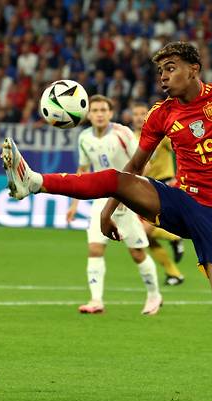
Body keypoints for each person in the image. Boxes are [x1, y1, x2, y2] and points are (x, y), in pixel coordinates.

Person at [1, 41, 212, 401]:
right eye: (160, 71)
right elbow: (132, 170)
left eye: (171, 68)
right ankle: (34, 181)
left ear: (194, 68)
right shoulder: (162, 115)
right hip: (181, 200)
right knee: (113, 177)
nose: (163, 77)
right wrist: (107, 212)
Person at [64, 94, 163, 316]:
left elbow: (142, 162)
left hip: (127, 199)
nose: (99, 114)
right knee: (95, 249)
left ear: (111, 113)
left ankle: (154, 295)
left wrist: (136, 191)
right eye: (95, 110)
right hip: (101, 199)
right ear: (88, 114)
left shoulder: (123, 134)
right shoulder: (84, 138)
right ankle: (96, 300)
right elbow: (82, 171)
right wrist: (74, 205)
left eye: (103, 110)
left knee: (137, 253)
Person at [130, 101, 185, 286]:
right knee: (143, 237)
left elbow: (181, 147)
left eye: (142, 113)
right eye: (135, 113)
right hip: (144, 188)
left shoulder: (161, 134)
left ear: (148, 115)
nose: (139, 117)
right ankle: (174, 274)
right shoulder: (130, 138)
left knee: (143, 232)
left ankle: (174, 237)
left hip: (164, 184)